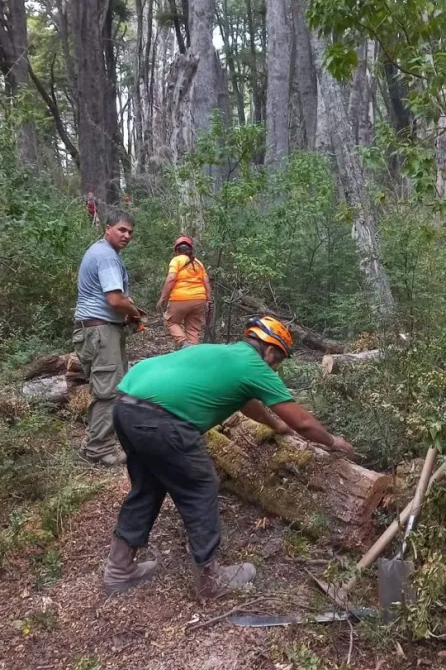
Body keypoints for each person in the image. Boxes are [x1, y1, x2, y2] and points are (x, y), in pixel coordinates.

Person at [103, 315, 355, 599]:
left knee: (148, 485)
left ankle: (119, 568)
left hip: (125, 406)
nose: (276, 367)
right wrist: (333, 441)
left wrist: (275, 425)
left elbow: (248, 404)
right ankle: (211, 581)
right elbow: (304, 423)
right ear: (271, 350)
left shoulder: (224, 354)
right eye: (279, 360)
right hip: (162, 419)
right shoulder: (254, 366)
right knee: (201, 486)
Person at [73, 208, 148, 467]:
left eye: (130, 232)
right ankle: (99, 450)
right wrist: (134, 313)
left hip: (96, 330)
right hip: (100, 332)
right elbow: (115, 299)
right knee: (108, 391)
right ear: (107, 228)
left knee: (104, 387)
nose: (126, 235)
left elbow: (113, 298)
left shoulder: (101, 252)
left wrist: (128, 313)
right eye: (121, 230)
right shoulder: (106, 256)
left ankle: (96, 440)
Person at [157, 235, 211, 348]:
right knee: (193, 330)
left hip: (180, 298)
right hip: (199, 300)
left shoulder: (176, 260)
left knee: (170, 322)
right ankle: (192, 354)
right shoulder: (198, 263)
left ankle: (184, 343)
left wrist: (163, 298)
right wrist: (209, 300)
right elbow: (206, 282)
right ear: (190, 249)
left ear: (177, 250)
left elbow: (171, 279)